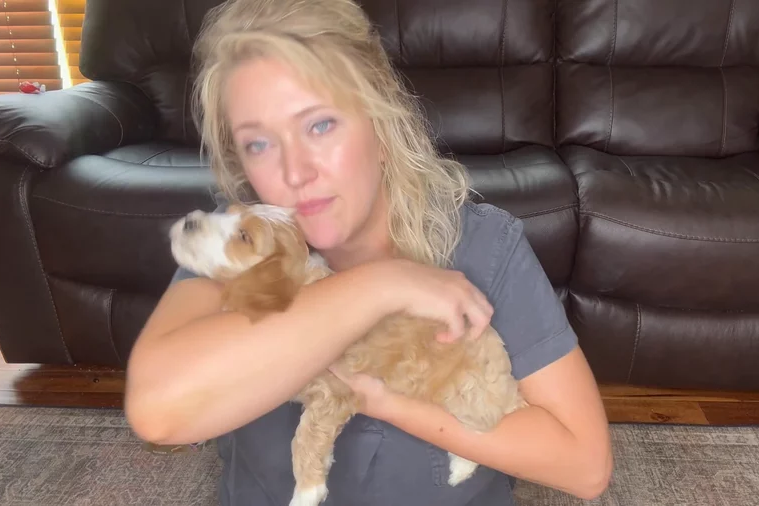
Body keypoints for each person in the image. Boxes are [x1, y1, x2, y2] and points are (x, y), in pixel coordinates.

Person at [124, 0, 613, 504]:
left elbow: (585, 466)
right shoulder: (238, 246)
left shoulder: (484, 246)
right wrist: (384, 285)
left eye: (319, 125)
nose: (295, 173)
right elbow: (158, 411)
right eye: (259, 144)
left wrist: (390, 404)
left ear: (381, 123)